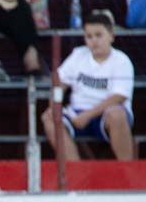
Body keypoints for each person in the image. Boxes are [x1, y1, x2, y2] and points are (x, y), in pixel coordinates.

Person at [42, 10, 134, 162]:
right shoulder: (78, 55)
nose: (94, 41)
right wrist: (54, 105)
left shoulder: (121, 61)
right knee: (49, 117)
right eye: (89, 36)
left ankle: (127, 170)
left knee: (117, 114)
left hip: (106, 113)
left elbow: (119, 97)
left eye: (99, 35)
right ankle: (76, 173)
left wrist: (88, 115)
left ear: (111, 36)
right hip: (77, 113)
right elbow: (59, 82)